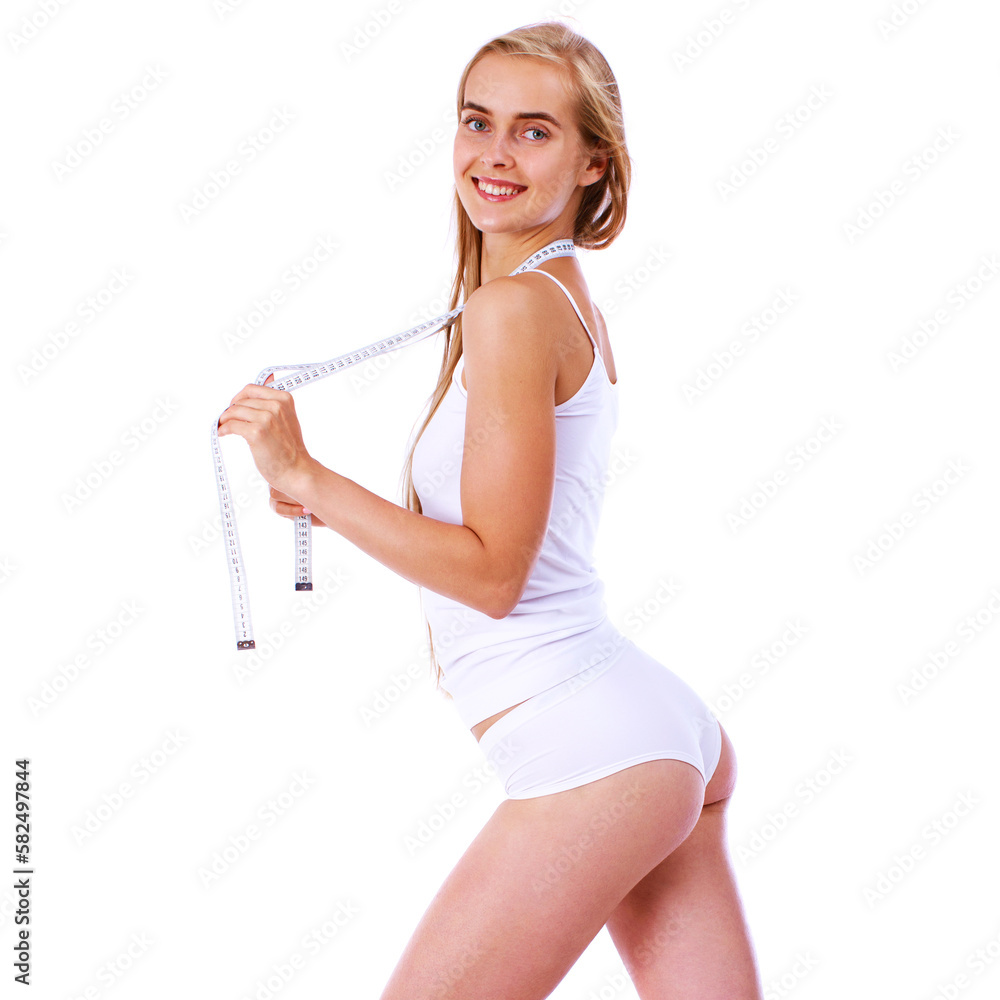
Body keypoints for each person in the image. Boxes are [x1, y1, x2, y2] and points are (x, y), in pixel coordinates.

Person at [217, 20, 764, 1000]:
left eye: (534, 131)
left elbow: (494, 574)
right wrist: (331, 504)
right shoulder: (541, 295)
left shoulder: (513, 309)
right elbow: (504, 541)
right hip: (643, 730)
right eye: (478, 121)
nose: (495, 153)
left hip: (592, 743)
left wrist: (307, 474)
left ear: (594, 162)